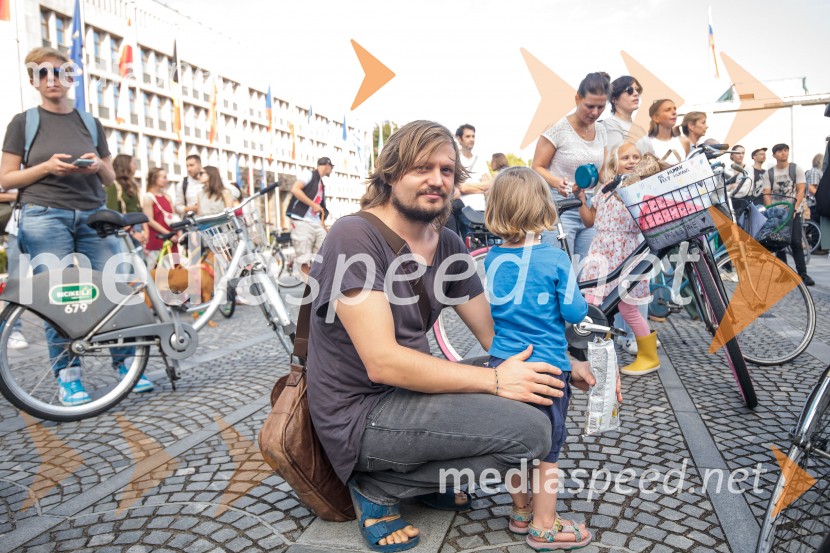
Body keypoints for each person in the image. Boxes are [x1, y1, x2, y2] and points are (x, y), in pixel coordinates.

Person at [306, 120, 606, 552]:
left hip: (410, 394)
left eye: (447, 170)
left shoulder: (445, 242)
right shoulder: (354, 235)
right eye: (421, 168)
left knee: (541, 384)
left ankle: (420, 477)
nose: (437, 180)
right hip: (360, 413)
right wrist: (497, 381)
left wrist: (560, 359)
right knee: (531, 434)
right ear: (391, 173)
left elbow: (493, 336)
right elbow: (383, 361)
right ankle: (377, 485)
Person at [0, 47, 139, 405]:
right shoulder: (23, 122)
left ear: (70, 78)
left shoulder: (90, 122)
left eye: (59, 72)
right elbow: (7, 178)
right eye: (42, 73)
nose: (52, 79)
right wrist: (48, 167)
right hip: (44, 215)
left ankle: (125, 365)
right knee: (59, 296)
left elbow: (110, 177)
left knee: (114, 290)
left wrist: (96, 165)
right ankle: (69, 376)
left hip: (94, 214)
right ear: (33, 80)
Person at [483, 167, 593, 550]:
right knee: (548, 450)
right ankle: (545, 525)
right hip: (546, 367)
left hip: (503, 366)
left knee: (515, 443)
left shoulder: (493, 258)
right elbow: (576, 313)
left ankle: (521, 511)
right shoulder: (554, 259)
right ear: (544, 208)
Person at [576, 142, 660, 375]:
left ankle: (649, 357)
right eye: (625, 158)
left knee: (628, 307)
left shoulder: (641, 188)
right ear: (614, 163)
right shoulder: (604, 188)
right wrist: (582, 198)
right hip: (601, 251)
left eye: (636, 157)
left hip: (626, 253)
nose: (632, 161)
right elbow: (589, 221)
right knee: (594, 304)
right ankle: (597, 354)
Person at [532, 72, 609, 261]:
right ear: (577, 98)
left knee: (586, 269)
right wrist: (558, 182)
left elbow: (603, 172)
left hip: (589, 207)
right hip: (560, 206)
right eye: (590, 106)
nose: (595, 113)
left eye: (601, 107)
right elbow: (537, 167)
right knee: (560, 267)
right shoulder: (558, 128)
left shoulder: (601, 130)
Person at [763, 143, 814, 286]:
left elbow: (800, 190)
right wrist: (771, 211)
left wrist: (794, 208)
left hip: (793, 212)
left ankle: (802, 274)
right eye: (779, 151)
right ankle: (783, 274)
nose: (783, 153)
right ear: (774, 155)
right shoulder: (770, 173)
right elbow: (766, 193)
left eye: (785, 150)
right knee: (778, 244)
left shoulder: (795, 169)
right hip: (777, 213)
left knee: (796, 242)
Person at [286, 157, 331, 277]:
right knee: (304, 257)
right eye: (331, 167)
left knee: (325, 251)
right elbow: (295, 189)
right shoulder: (309, 175)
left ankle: (319, 283)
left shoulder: (320, 183)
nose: (331, 170)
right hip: (302, 220)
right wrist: (313, 205)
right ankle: (309, 287)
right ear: (327, 166)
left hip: (315, 222)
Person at [602, 75, 653, 156]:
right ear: (614, 99)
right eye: (630, 90)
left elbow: (653, 159)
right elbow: (616, 160)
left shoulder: (640, 129)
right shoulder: (610, 124)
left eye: (637, 90)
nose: (636, 94)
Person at [106, 153, 146, 247]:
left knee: (139, 260)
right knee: (128, 260)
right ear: (125, 165)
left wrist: (144, 230)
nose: (136, 166)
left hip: (136, 227)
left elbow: (138, 209)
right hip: (124, 230)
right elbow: (113, 212)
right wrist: (132, 232)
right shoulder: (113, 185)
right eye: (134, 163)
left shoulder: (133, 185)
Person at [142, 166, 177, 267]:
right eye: (164, 177)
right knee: (156, 270)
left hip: (172, 238)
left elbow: (174, 217)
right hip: (157, 239)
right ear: (154, 178)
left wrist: (176, 232)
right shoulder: (148, 197)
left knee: (173, 271)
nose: (166, 180)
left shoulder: (167, 197)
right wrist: (168, 233)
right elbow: (149, 220)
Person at [647, 99, 686, 165]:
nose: (674, 112)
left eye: (675, 109)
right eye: (668, 110)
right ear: (656, 118)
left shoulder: (683, 141)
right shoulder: (645, 144)